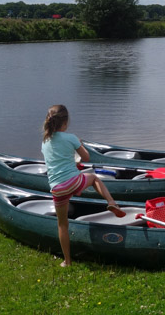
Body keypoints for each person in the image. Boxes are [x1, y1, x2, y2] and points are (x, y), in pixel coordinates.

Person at [41, 104, 123, 267]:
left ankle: (67, 261)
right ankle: (111, 203)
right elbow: (86, 158)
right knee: (93, 178)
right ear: (65, 123)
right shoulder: (70, 137)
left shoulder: (44, 142)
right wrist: (79, 144)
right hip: (73, 181)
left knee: (62, 224)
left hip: (57, 188)